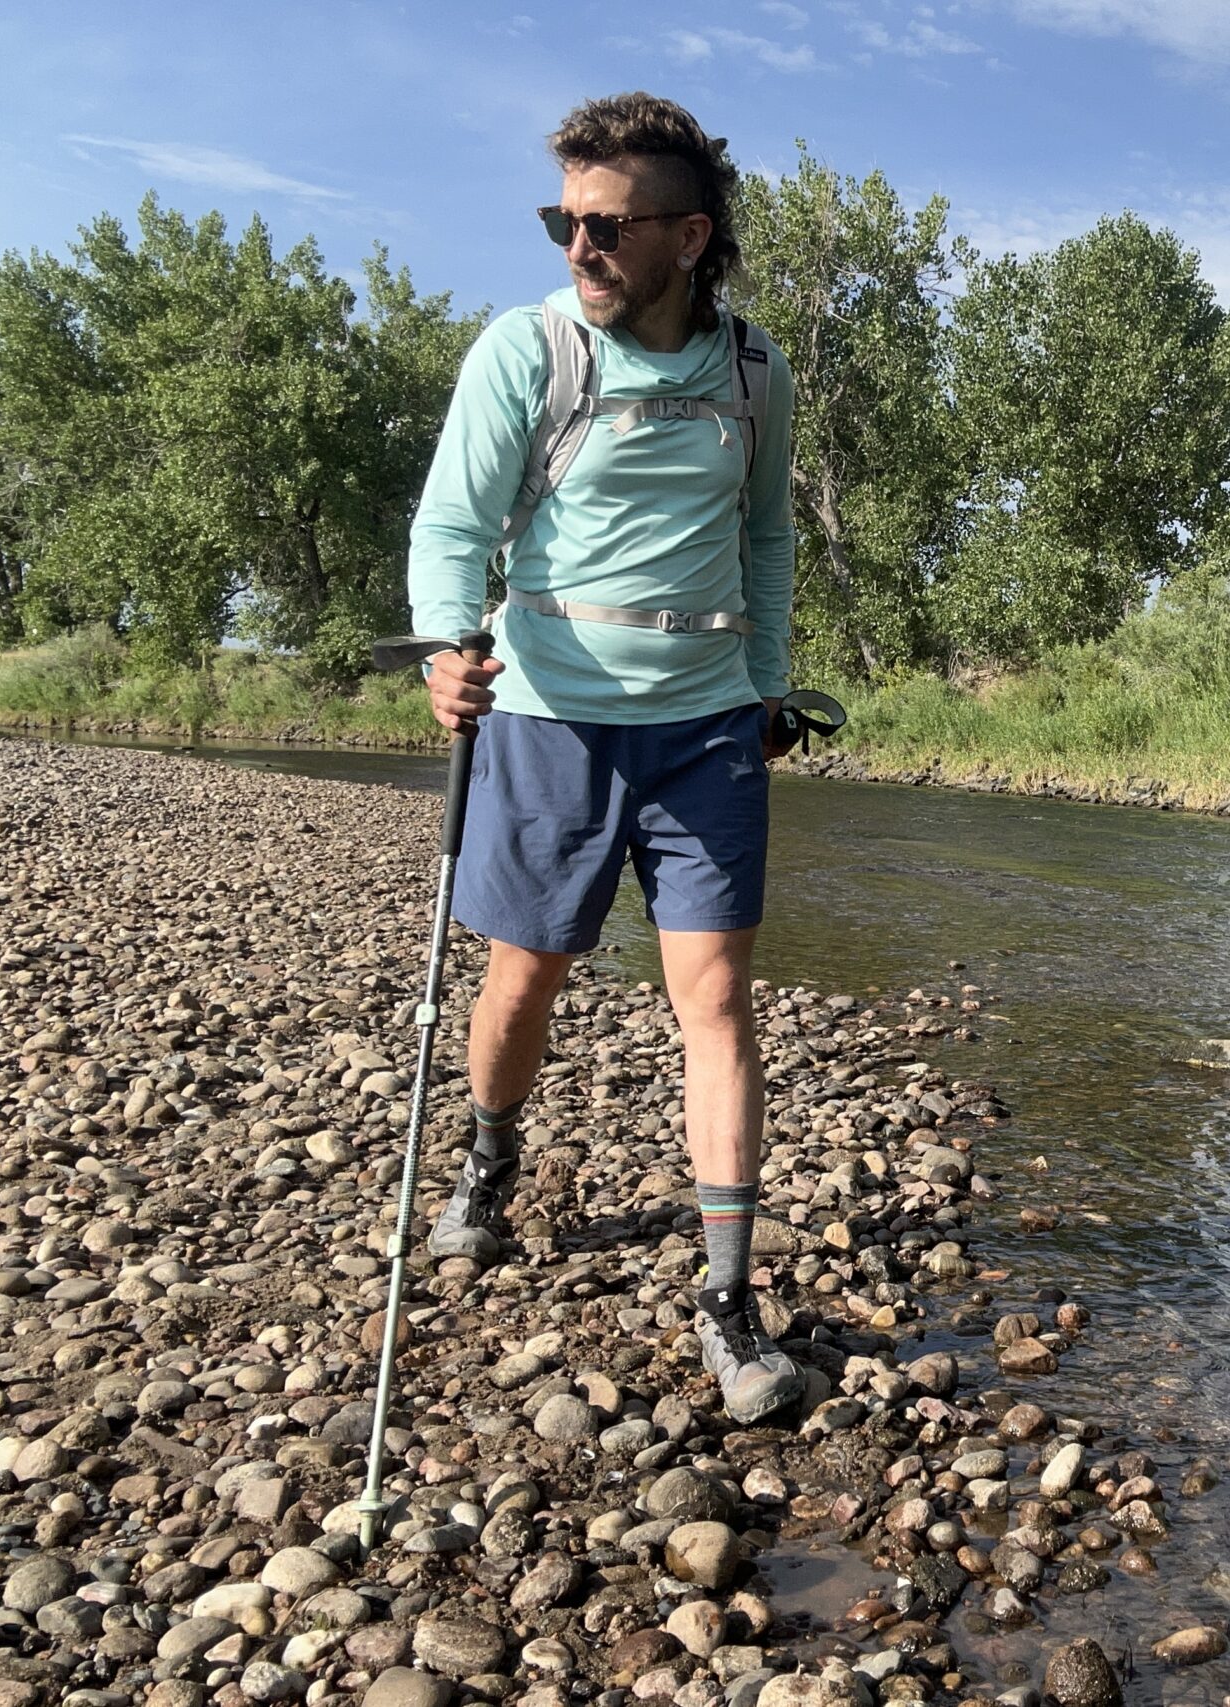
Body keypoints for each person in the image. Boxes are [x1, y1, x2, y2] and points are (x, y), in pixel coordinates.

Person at [405, 91, 800, 1424]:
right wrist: (446, 647)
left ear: (688, 238)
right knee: (526, 980)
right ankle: (490, 1161)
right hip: (545, 721)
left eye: (606, 225)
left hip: (704, 731)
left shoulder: (755, 374)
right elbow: (457, 524)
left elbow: (764, 544)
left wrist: (765, 687)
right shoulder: (527, 353)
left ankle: (729, 1302)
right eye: (562, 220)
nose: (578, 247)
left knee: (719, 1006)